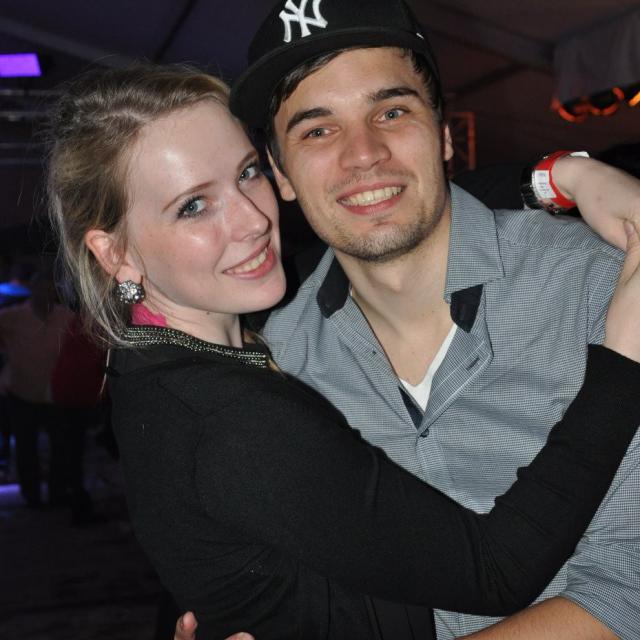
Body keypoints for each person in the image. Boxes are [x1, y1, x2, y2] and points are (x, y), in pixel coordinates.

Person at [46, 64, 640, 640]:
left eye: (246, 173)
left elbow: (393, 202)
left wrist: (566, 175)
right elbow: (496, 569)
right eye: (193, 206)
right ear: (115, 253)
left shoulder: (172, 356)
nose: (253, 221)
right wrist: (621, 366)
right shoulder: (231, 415)